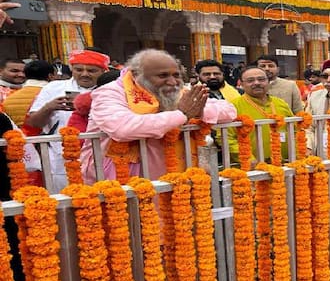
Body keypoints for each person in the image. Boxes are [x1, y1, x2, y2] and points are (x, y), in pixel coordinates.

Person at [80, 49, 236, 183]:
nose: (172, 81)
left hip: (173, 174)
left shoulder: (178, 92)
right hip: (124, 179)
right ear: (136, 74)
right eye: (163, 76)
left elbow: (229, 110)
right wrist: (181, 115)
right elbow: (123, 127)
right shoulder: (110, 92)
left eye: (176, 75)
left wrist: (197, 111)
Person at [26, 49, 109, 192]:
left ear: (103, 71)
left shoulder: (110, 89)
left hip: (102, 156)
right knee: (64, 203)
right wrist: (49, 107)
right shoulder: (54, 87)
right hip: (60, 159)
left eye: (91, 70)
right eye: (78, 69)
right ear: (71, 69)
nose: (84, 74)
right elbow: (34, 123)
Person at [227, 66, 294, 164]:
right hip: (252, 169)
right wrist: (249, 159)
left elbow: (294, 129)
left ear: (268, 82)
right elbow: (227, 138)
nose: (257, 83)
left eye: (261, 79)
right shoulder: (233, 106)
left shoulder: (281, 103)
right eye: (250, 80)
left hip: (285, 165)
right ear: (241, 84)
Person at [3, 60, 53, 132]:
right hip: (54, 140)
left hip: (19, 140)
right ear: (50, 76)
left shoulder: (8, 99)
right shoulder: (56, 95)